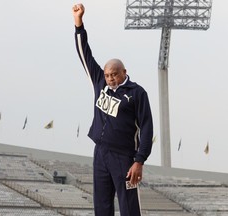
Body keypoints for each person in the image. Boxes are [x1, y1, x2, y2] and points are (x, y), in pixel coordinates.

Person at [72, 4, 154, 216]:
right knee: (102, 207)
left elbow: (146, 128)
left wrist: (139, 160)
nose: (110, 78)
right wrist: (78, 23)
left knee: (128, 207)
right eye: (108, 75)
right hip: (101, 153)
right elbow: (85, 55)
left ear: (124, 72)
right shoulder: (99, 82)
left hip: (124, 158)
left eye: (114, 74)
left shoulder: (137, 93)